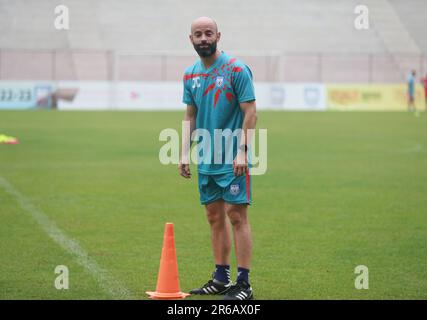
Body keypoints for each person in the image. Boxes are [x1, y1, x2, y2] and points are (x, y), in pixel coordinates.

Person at [179, 17, 257, 300]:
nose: (203, 38)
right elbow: (191, 115)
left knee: (236, 216)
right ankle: (221, 278)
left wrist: (242, 151)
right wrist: (184, 152)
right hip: (206, 158)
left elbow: (251, 112)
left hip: (232, 158)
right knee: (214, 217)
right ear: (191, 39)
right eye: (198, 34)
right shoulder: (190, 75)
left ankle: (244, 284)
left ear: (218, 36)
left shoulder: (237, 69)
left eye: (208, 33)